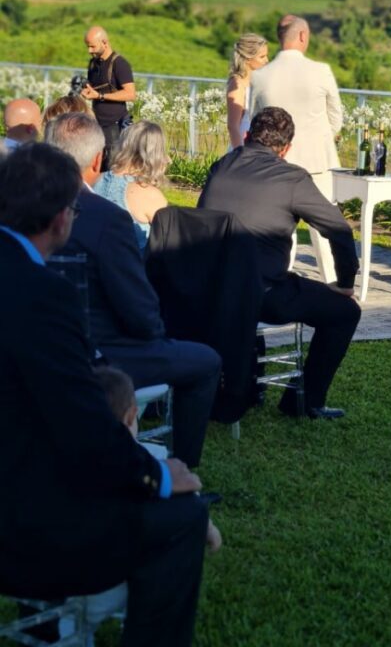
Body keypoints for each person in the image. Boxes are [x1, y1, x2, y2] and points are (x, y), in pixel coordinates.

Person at [0, 142, 208, 647]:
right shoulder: (43, 295)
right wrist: (156, 473)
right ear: (60, 220)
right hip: (20, 526)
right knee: (184, 516)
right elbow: (85, 429)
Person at [45, 112, 221, 467]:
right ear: (96, 160)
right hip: (99, 353)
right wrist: (155, 335)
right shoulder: (105, 219)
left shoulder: (19, 205)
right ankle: (180, 468)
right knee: (205, 361)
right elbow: (139, 312)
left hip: (36, 344)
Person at [199, 106, 360, 419]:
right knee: (346, 312)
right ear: (286, 149)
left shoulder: (222, 164)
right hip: (263, 292)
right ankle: (304, 402)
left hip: (209, 287)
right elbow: (339, 230)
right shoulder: (292, 178)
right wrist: (344, 283)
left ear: (247, 136)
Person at [250, 14, 344, 283]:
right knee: (326, 232)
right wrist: (323, 136)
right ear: (302, 36)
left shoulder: (260, 76)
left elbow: (254, 119)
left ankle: (279, 285)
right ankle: (334, 285)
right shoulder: (320, 71)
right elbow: (336, 116)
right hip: (318, 163)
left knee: (280, 233)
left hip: (275, 164)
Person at [95, 366, 222, 554]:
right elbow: (188, 505)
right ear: (132, 416)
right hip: (125, 554)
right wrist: (207, 526)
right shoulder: (146, 463)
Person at [94, 120, 169, 250]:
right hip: (132, 267)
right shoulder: (150, 195)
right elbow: (169, 243)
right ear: (155, 155)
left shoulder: (94, 181)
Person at [80, 25, 136, 170]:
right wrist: (87, 92)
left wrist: (99, 95)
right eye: (87, 46)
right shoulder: (93, 63)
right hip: (96, 125)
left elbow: (130, 94)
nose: (89, 51)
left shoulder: (120, 64)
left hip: (115, 126)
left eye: (92, 46)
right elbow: (93, 89)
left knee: (112, 169)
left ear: (105, 42)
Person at [226, 32, 269, 150]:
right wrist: (240, 155)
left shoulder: (259, 82)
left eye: (266, 55)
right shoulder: (237, 84)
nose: (267, 60)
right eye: (262, 56)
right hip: (243, 147)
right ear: (247, 59)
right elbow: (232, 126)